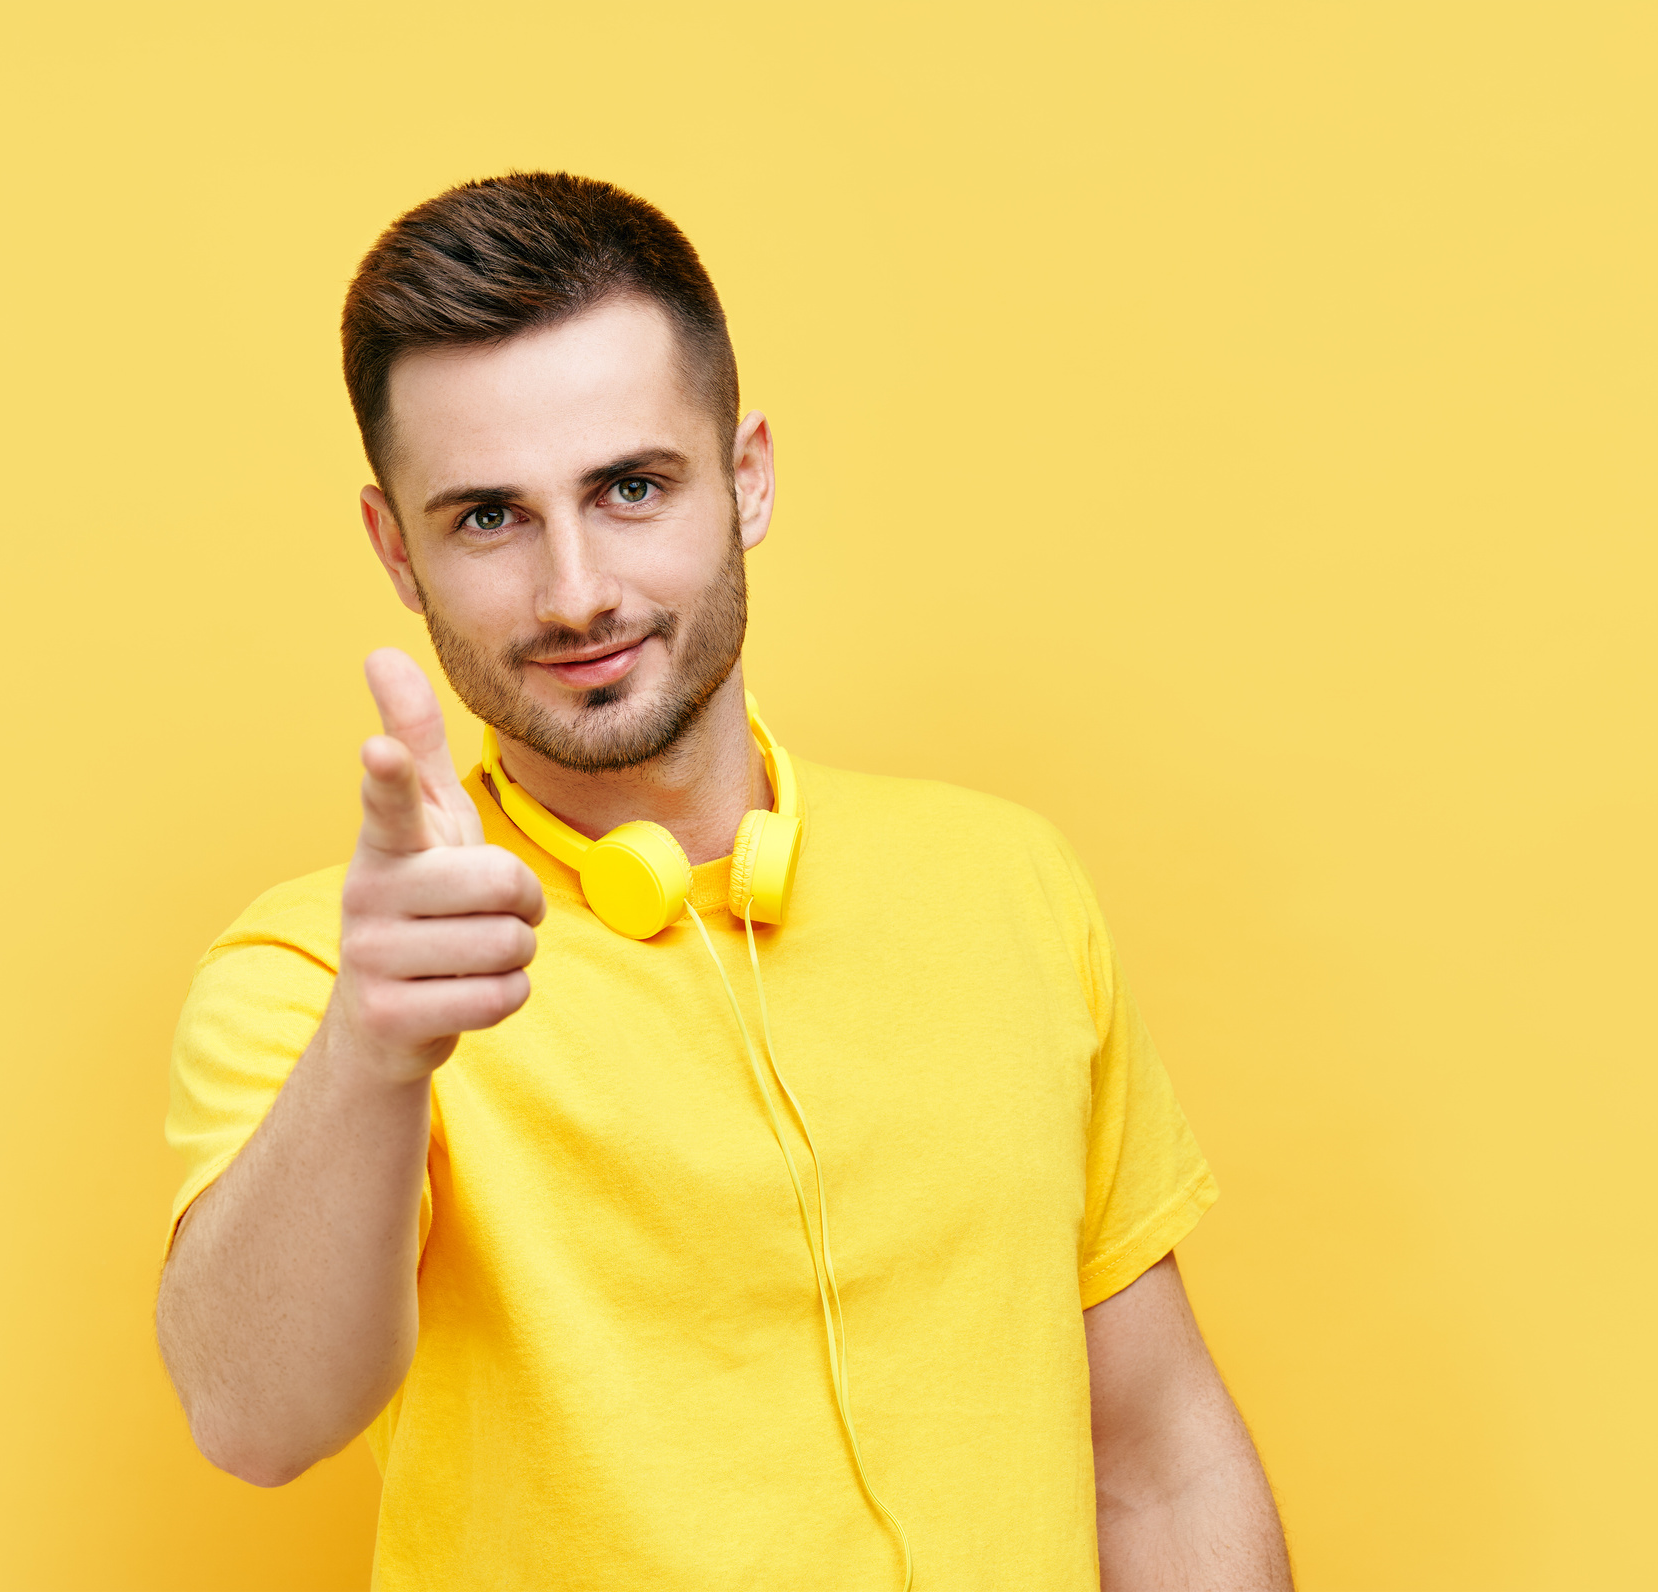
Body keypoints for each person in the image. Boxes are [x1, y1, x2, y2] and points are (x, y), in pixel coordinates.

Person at [155, 170, 1292, 1591]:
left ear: (746, 476)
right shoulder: (325, 979)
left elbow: (1159, 1464)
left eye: (631, 488)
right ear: (398, 548)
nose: (576, 591)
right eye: (489, 519)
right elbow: (253, 1420)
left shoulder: (1008, 883)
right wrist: (377, 1057)